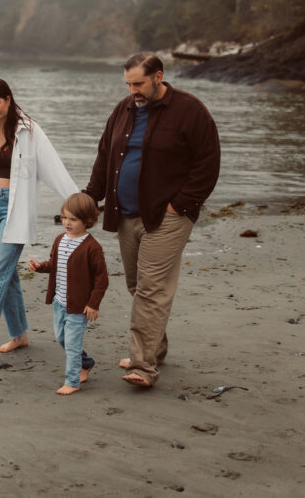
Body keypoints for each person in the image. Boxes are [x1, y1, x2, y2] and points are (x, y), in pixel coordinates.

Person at [85, 54, 220, 388]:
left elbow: (208, 162)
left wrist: (182, 204)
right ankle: (155, 349)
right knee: (137, 285)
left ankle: (143, 367)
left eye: (139, 84)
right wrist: (91, 196)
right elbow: (105, 155)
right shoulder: (124, 109)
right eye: (128, 84)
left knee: (150, 289)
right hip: (126, 214)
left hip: (167, 217)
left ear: (158, 76)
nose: (133, 91)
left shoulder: (189, 111)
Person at [0, 78, 78, 363]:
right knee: (5, 277)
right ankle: (19, 334)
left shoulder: (28, 131)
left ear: (8, 99)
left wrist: (79, 201)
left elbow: (52, 166)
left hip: (14, 210)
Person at [29, 193, 109, 395]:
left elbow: (102, 279)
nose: (67, 222)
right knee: (61, 338)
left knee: (72, 345)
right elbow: (54, 265)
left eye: (73, 219)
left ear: (87, 221)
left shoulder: (92, 247)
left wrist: (93, 303)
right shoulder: (59, 240)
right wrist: (40, 267)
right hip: (59, 301)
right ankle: (87, 362)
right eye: (64, 217)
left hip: (79, 305)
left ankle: (72, 381)